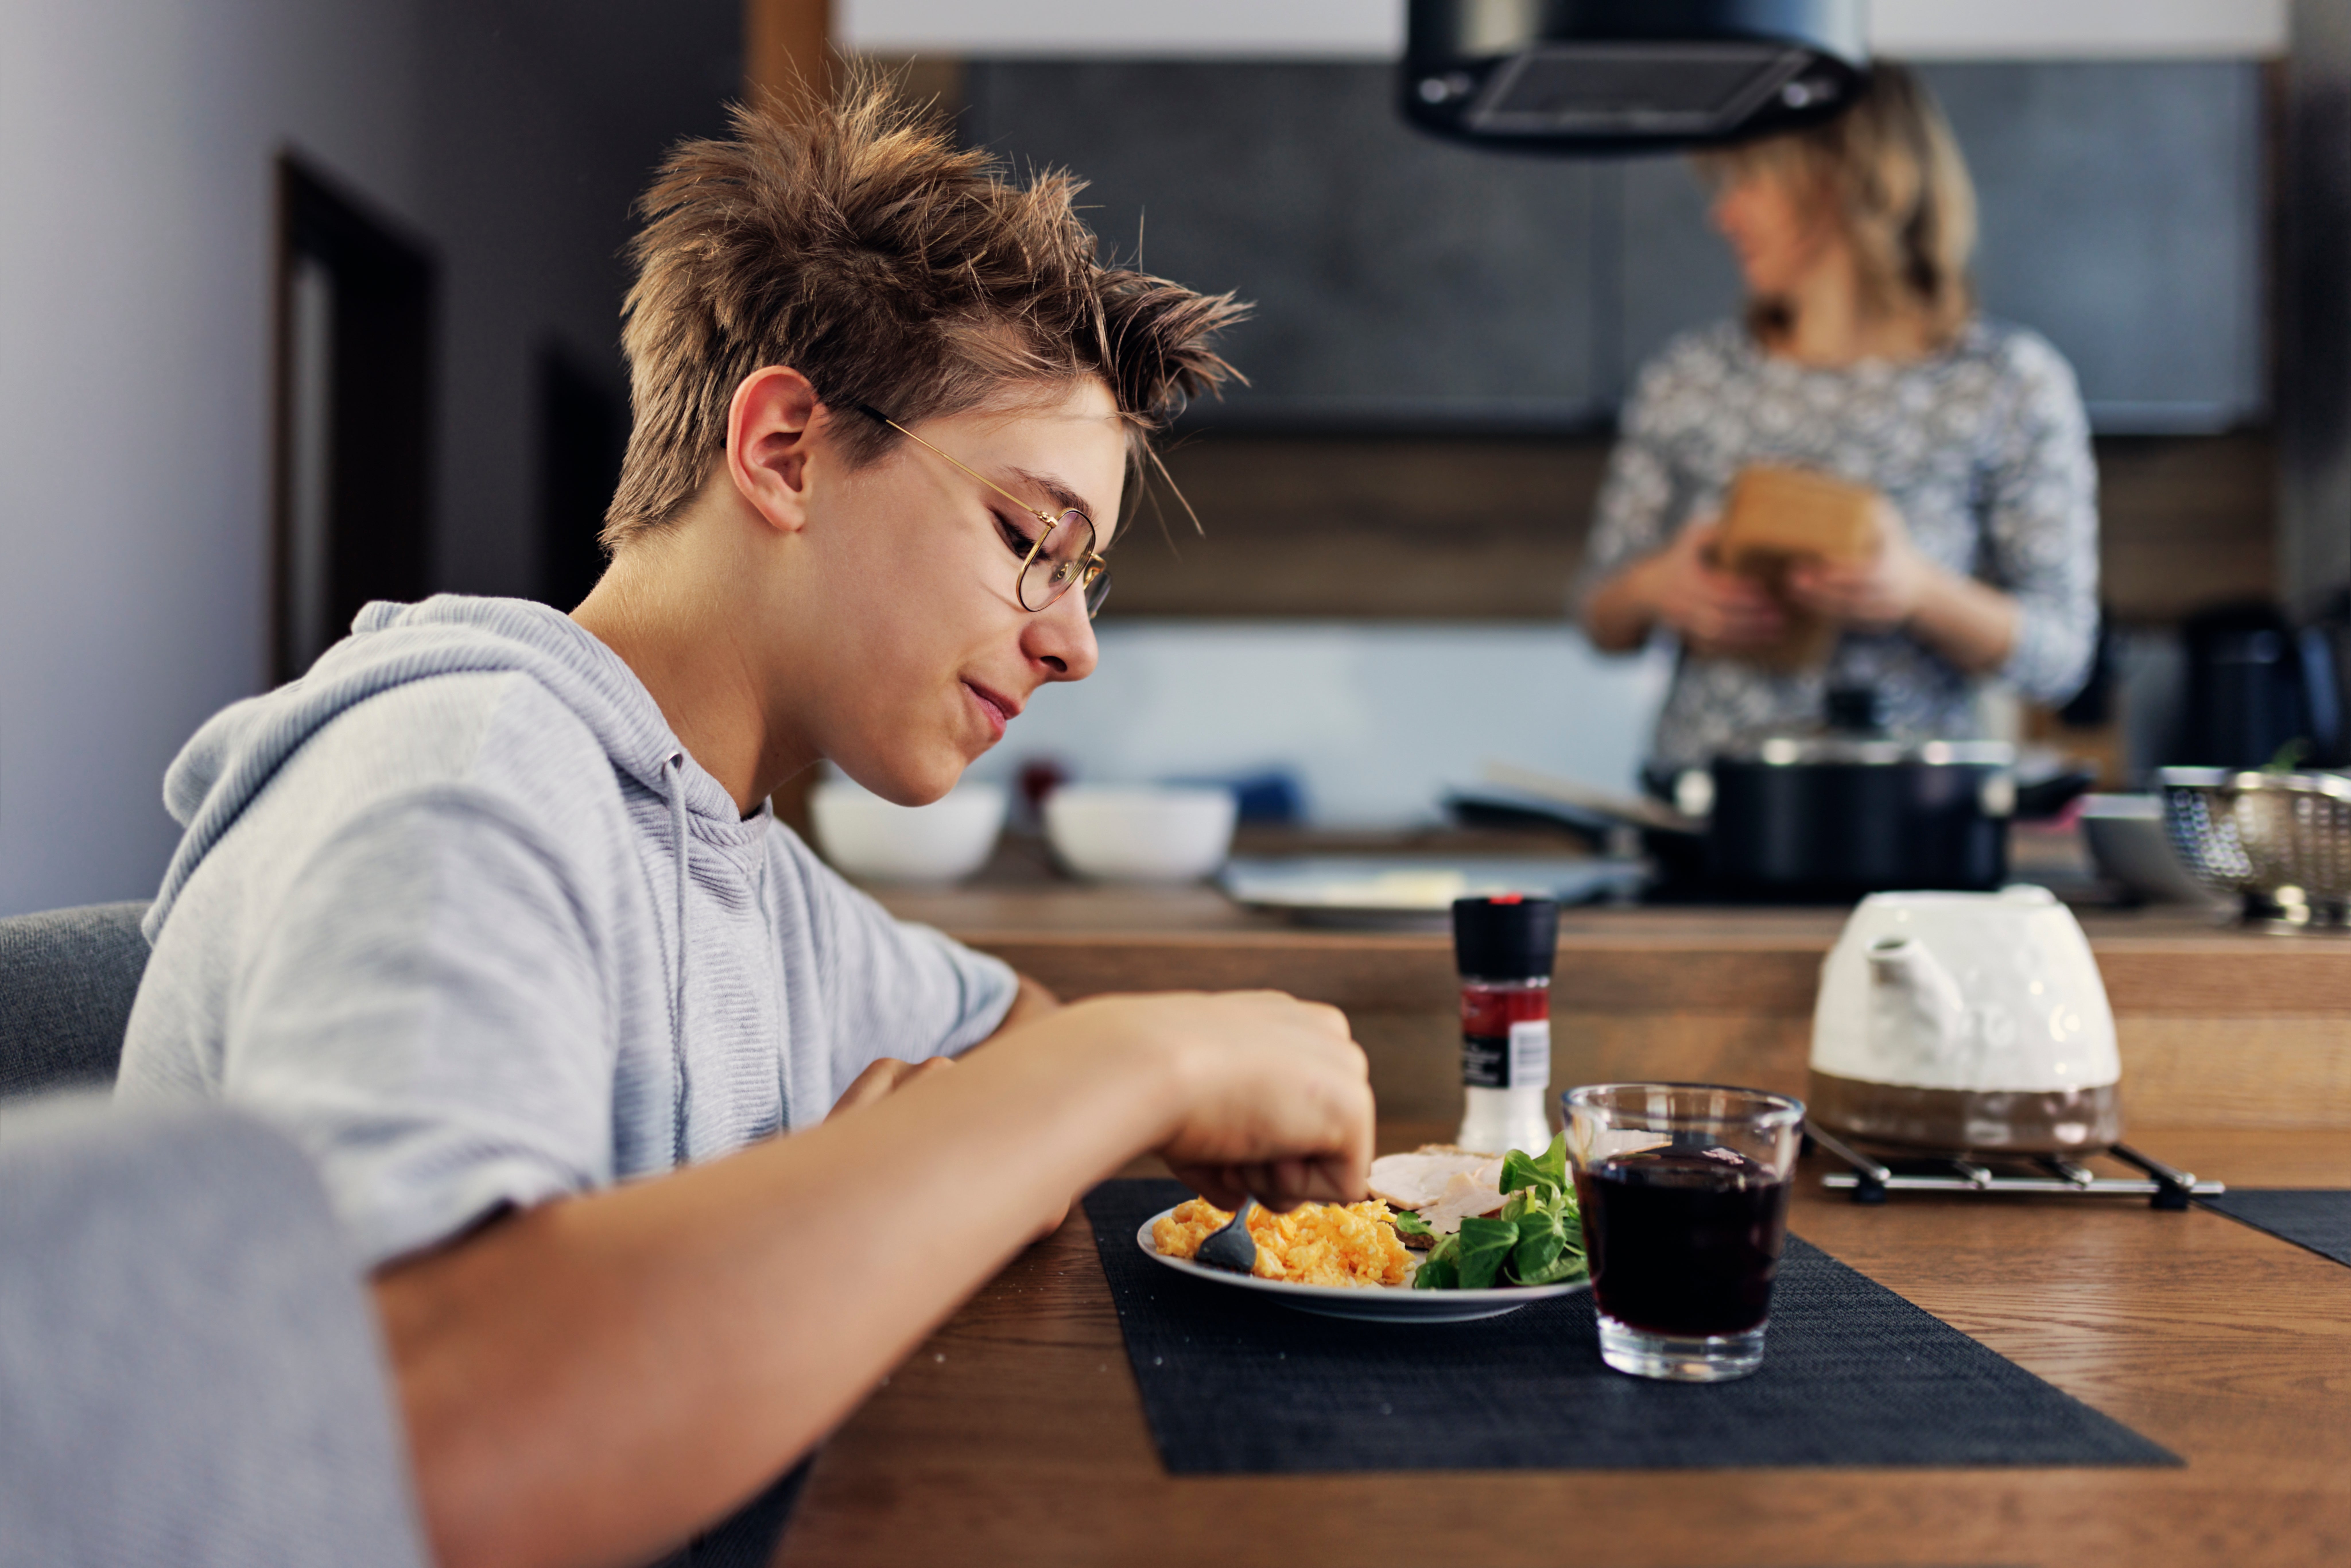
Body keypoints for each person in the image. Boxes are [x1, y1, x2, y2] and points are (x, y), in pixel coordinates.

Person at [115, 83, 1375, 1568]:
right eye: (1034, 541)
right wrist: (1139, 1058)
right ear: (782, 448)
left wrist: (938, 1141)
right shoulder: (460, 777)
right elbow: (431, 1440)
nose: (1073, 643)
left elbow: (1006, 1028)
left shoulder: (741, 862)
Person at [1577, 63, 2098, 775]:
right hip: (1706, 807)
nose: (1722, 214)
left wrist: (1916, 591)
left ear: (1838, 175)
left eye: (1746, 180)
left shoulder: (2007, 383)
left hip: (1915, 818)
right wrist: (1657, 585)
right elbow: (1601, 618)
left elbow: (2061, 657)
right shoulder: (1689, 376)